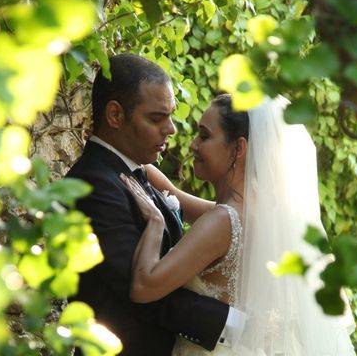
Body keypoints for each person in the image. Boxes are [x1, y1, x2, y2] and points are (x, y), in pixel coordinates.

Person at [122, 94, 356, 355]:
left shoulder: (222, 221)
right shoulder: (259, 213)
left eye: (205, 136)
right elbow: (174, 194)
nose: (193, 146)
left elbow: (144, 288)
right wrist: (127, 155)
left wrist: (155, 222)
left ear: (239, 149)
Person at [66, 55, 244, 356]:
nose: (171, 129)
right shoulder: (95, 184)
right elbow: (139, 293)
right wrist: (238, 325)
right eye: (156, 118)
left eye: (171, 116)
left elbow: (231, 217)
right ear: (115, 115)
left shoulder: (136, 172)